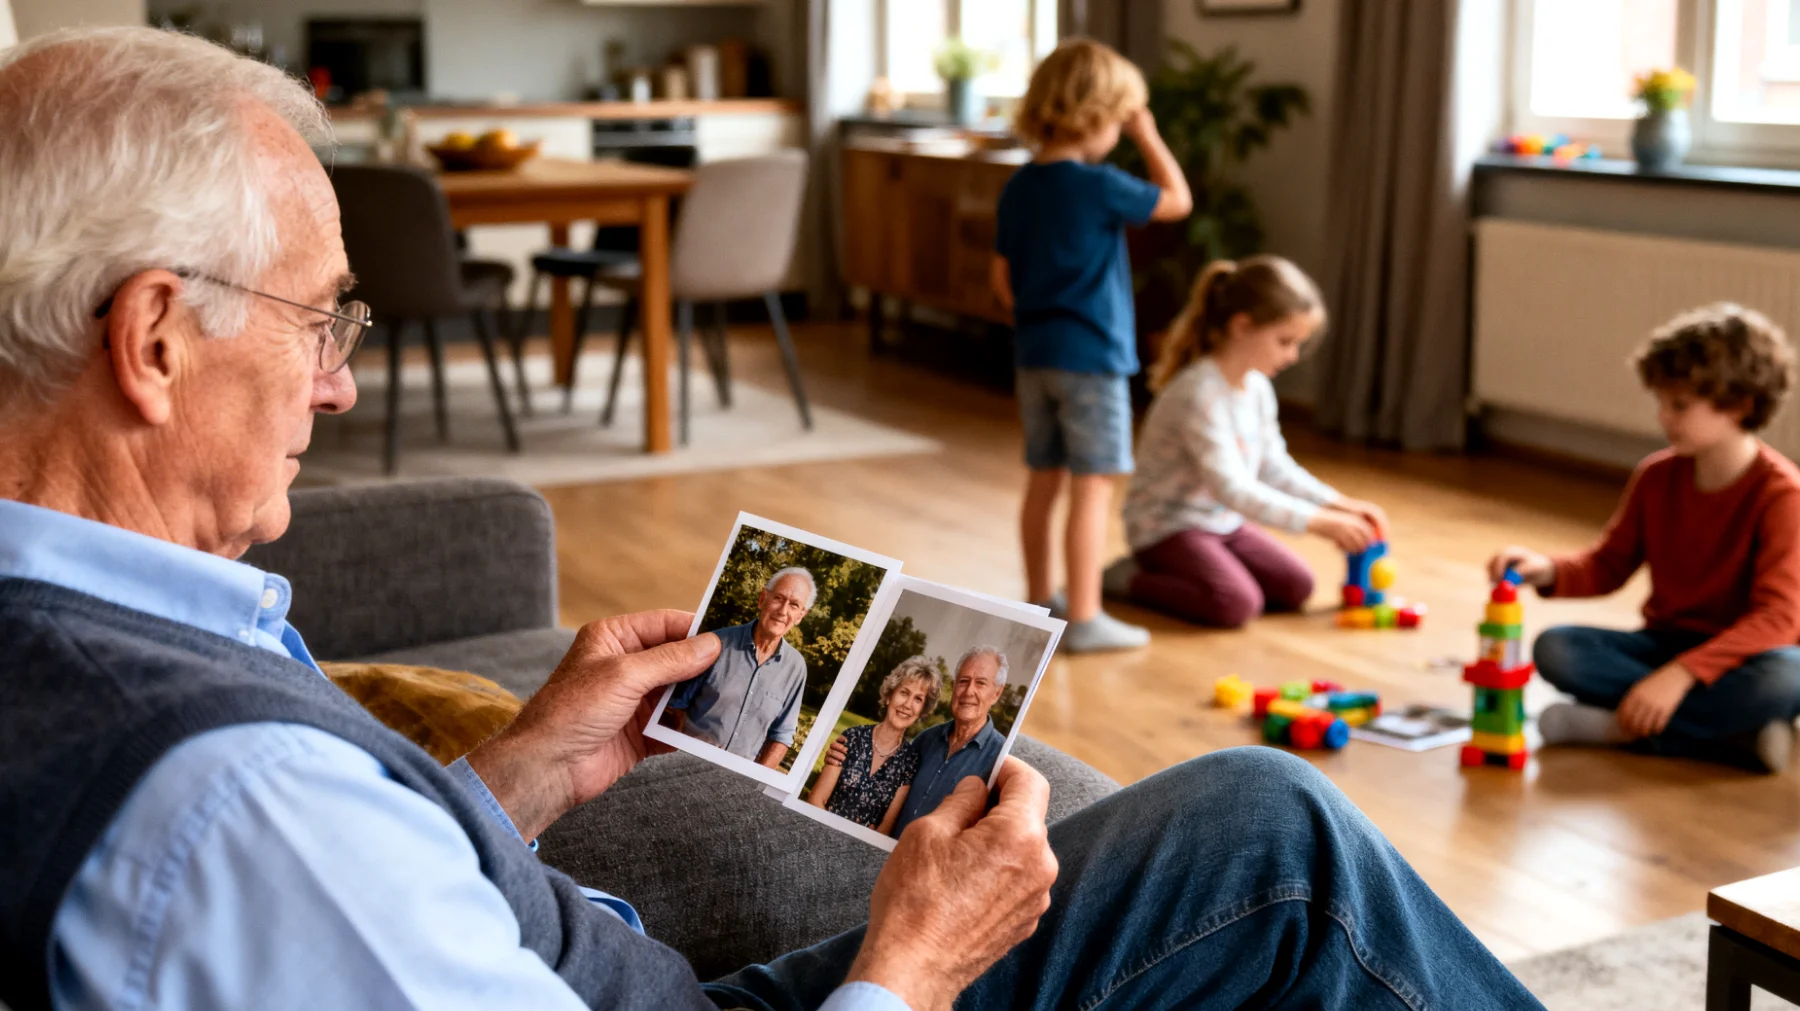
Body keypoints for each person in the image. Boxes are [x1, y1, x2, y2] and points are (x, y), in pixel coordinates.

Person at [0, 26, 1547, 1011]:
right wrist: (912, 962)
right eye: (322, 322)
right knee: (1282, 848)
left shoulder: (91, 640)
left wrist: (530, 768)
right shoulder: (234, 805)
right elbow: (281, 862)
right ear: (153, 340)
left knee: (1255, 817)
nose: (336, 388)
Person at [1489, 303, 1800, 773]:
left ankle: (1615, 729)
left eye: (1679, 406)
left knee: (1786, 676)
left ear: (1740, 405)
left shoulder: (1782, 495)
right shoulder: (1656, 477)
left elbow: (1778, 619)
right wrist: (1547, 569)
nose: (1663, 417)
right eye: (1661, 401)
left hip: (1744, 659)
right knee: (1556, 649)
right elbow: (1609, 564)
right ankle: (1735, 736)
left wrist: (1680, 676)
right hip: (1664, 643)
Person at [994, 38, 1192, 654]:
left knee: (1044, 478)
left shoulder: (1021, 185)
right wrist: (1150, 136)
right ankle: (1084, 615)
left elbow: (1002, 282)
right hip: (1093, 359)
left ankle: (1036, 602)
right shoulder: (1100, 184)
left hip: (1035, 354)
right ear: (1102, 115)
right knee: (1092, 486)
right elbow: (1177, 201)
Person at [1112, 256, 1389, 628]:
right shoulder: (1198, 394)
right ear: (1241, 326)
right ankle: (1124, 578)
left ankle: (1207, 566)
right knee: (1235, 604)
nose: (1292, 356)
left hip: (1222, 521)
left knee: (1296, 586)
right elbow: (1234, 488)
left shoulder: (1257, 387)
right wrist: (1319, 522)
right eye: (1285, 341)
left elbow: (1274, 466)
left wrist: (1338, 504)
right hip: (1167, 526)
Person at [664, 567, 813, 768]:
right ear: (762, 599)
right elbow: (675, 706)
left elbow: (782, 735)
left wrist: (752, 782)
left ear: (800, 616)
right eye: (778, 598)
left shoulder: (796, 668)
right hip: (682, 763)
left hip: (733, 780)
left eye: (794, 605)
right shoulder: (716, 643)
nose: (783, 611)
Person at [883, 647, 1011, 837]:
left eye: (981, 683)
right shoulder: (926, 739)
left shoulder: (1001, 758)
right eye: (963, 681)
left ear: (996, 693)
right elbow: (886, 784)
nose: (969, 691)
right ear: (954, 686)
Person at [805, 656, 940, 833]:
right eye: (904, 693)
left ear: (922, 710)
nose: (907, 705)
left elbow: (885, 828)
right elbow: (816, 799)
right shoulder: (852, 738)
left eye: (918, 699)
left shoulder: (909, 762)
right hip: (818, 832)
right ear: (889, 696)